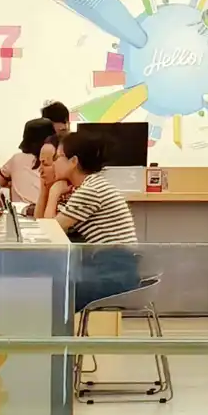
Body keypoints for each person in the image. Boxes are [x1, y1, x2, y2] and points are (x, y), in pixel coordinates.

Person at [53, 129, 141, 309]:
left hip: (113, 273)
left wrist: (52, 192)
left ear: (73, 161)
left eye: (58, 157)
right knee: (53, 287)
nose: (54, 163)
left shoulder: (90, 191)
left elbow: (51, 231)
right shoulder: (94, 185)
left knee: (51, 291)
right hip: (114, 268)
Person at [0, 118, 58, 206]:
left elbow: (0, 181)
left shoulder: (17, 159)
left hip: (21, 211)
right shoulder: (57, 160)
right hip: (46, 209)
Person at [34, 135, 64, 218]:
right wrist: (44, 191)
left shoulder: (72, 193)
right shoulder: (53, 187)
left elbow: (48, 224)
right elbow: (38, 220)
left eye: (45, 164)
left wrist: (54, 193)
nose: (40, 170)